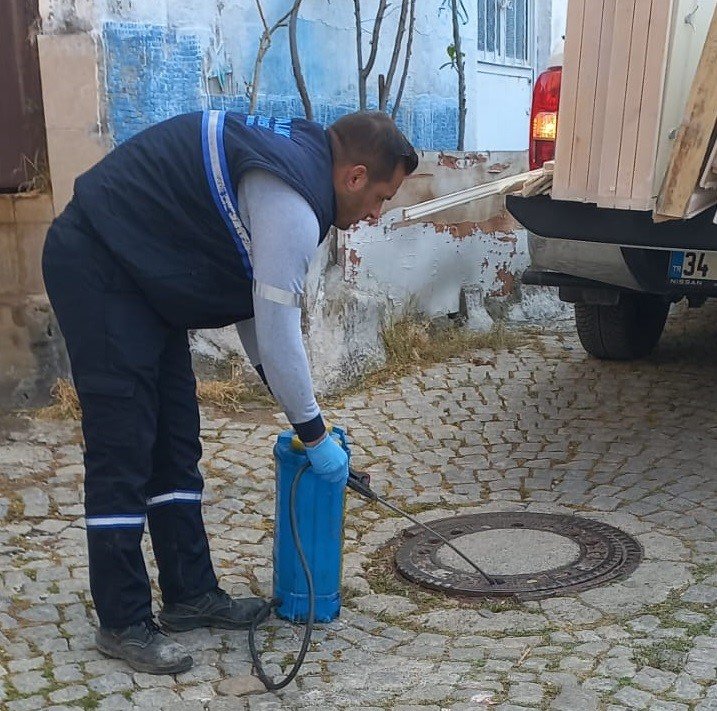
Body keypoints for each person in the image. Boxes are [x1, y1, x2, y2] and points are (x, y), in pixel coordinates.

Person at [41, 109, 418, 674]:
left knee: (174, 439)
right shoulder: (293, 200)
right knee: (123, 445)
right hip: (98, 259)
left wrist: (306, 422)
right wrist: (313, 435)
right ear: (356, 175)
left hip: (145, 278)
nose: (374, 213)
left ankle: (191, 594)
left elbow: (253, 314)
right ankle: (122, 621)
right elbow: (276, 324)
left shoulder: (297, 166)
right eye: (381, 197)